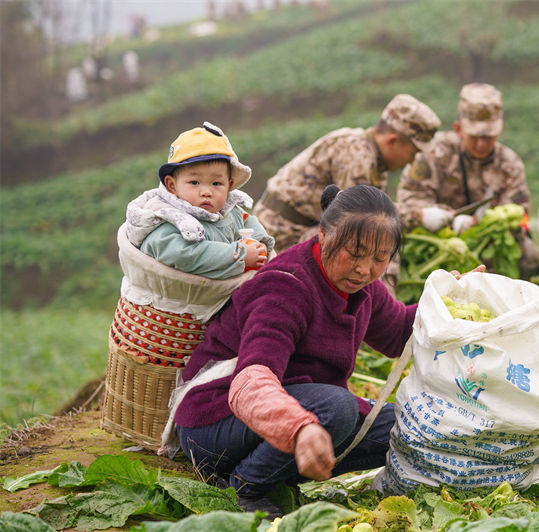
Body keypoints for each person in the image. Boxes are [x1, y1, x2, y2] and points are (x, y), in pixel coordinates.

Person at [173, 184, 483, 517]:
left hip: (294, 408)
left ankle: (277, 475)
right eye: (355, 253)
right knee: (337, 409)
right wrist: (300, 427)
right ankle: (244, 487)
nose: (365, 269)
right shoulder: (286, 285)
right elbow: (251, 382)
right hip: (214, 421)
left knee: (407, 427)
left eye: (380, 258)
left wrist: (447, 300)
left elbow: (396, 335)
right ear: (323, 234)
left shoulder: (364, 287)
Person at [253, 94, 441, 252]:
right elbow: (365, 216)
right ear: (392, 140)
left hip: (299, 229)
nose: (411, 161)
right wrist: (420, 216)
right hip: (281, 236)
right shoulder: (357, 156)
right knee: (372, 241)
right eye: (413, 152)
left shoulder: (372, 157)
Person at [397, 82, 539, 277]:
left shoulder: (509, 163)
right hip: (436, 242)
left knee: (528, 253)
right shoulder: (434, 153)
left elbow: (520, 215)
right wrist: (447, 220)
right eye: (474, 136)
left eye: (488, 137)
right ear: (458, 129)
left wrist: (479, 225)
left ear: (500, 130)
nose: (481, 144)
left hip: (487, 244)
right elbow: (410, 197)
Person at [125, 122, 273, 279]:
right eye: (194, 183)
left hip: (215, 296)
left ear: (229, 186)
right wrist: (238, 255)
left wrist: (258, 244)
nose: (206, 192)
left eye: (216, 184)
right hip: (172, 300)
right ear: (172, 185)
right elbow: (182, 255)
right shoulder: (166, 218)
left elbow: (246, 222)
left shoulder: (228, 209)